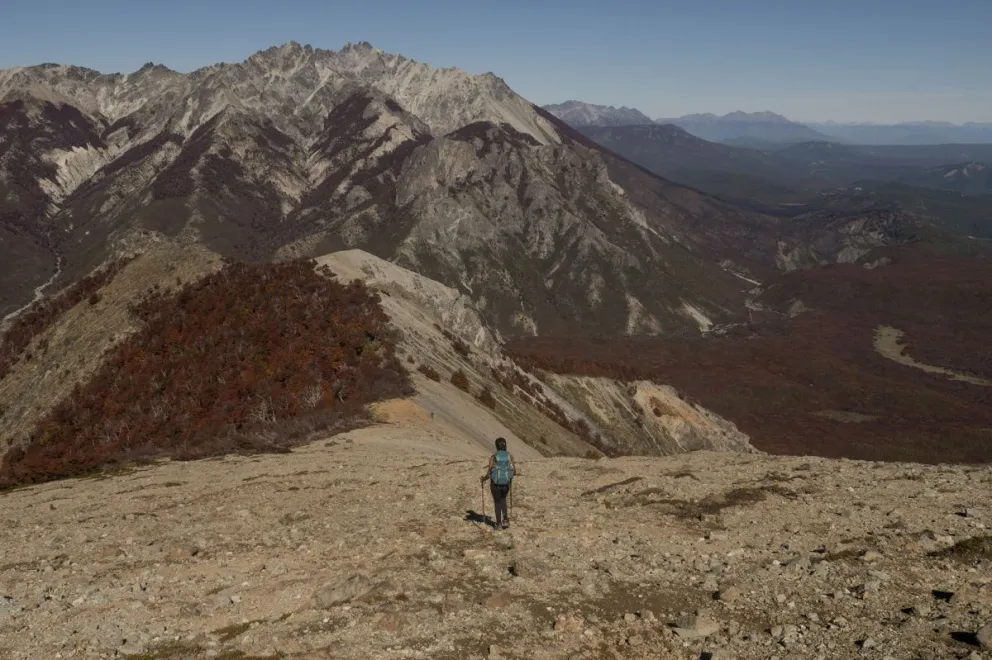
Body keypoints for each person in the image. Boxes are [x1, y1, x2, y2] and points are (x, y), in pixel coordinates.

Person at [480, 437, 516, 529]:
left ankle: (498, 524)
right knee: (503, 500)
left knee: (497, 503)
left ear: (496, 446)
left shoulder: (494, 457)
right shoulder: (509, 456)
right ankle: (505, 521)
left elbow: (490, 471)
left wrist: (483, 479)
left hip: (495, 484)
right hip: (506, 484)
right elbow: (514, 471)